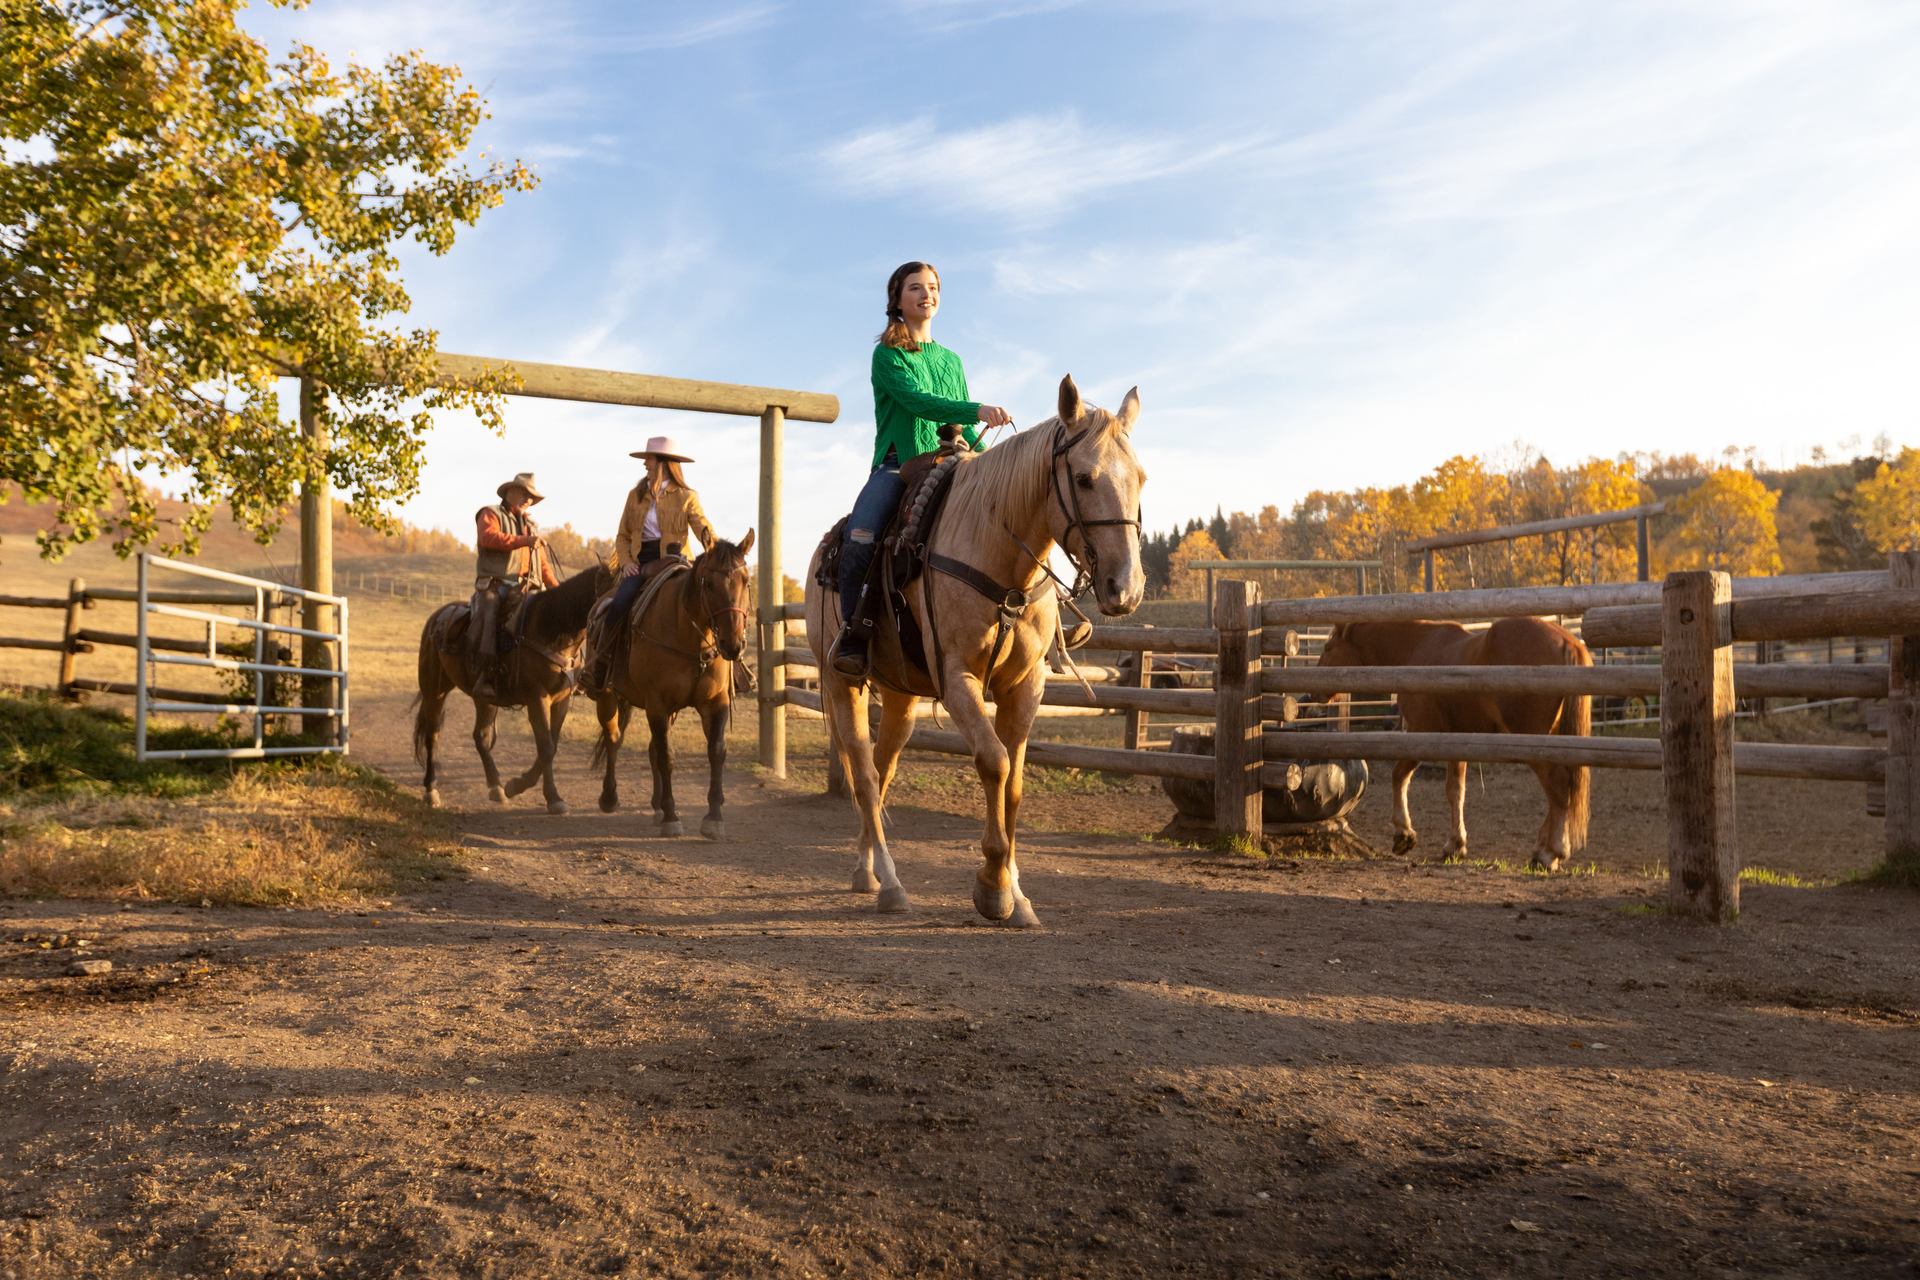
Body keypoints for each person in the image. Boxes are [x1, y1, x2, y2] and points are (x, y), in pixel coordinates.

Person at [830, 260, 1012, 679]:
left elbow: (965, 428)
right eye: (915, 287)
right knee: (861, 536)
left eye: (932, 287)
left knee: (1017, 513)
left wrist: (990, 459)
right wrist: (977, 407)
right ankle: (854, 635)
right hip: (900, 465)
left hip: (955, 463)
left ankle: (1050, 618)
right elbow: (919, 402)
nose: (926, 294)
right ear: (897, 299)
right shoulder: (887, 354)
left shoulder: (952, 359)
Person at [582, 435, 716, 691]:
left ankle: (727, 669)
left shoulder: (687, 496)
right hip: (640, 562)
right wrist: (626, 562)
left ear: (663, 463)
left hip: (675, 560)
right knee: (619, 603)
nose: (645, 464)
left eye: (649, 459)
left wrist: (718, 552)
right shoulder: (635, 496)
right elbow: (622, 535)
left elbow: (702, 527)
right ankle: (601, 664)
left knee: (710, 601)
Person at [471, 472, 558, 699]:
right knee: (489, 613)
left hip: (525, 587)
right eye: (524, 494)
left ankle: (554, 673)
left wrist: (556, 589)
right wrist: (524, 541)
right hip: (495, 584)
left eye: (531, 497)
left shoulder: (530, 525)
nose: (527, 500)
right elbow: (488, 538)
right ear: (510, 492)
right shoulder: (491, 513)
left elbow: (542, 563)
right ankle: (485, 675)